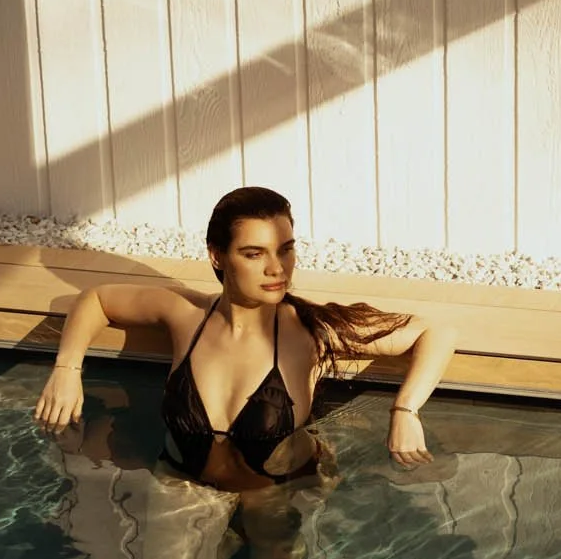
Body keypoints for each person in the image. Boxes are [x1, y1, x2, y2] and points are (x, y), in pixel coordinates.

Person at [34, 186, 456, 493]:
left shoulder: (312, 330)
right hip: (185, 484)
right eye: (254, 254)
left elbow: (435, 330)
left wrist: (405, 410)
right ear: (217, 256)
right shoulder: (187, 316)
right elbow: (96, 300)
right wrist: (67, 369)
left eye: (285, 249)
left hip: (276, 488)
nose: (277, 268)